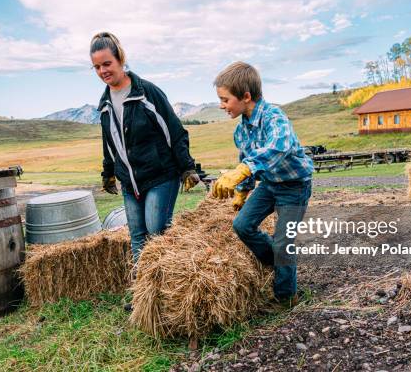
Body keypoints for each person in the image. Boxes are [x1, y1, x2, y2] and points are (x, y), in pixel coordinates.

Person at [91, 32, 199, 266]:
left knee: (156, 230)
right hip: (130, 182)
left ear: (120, 58)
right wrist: (108, 174)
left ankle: (168, 285)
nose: (103, 71)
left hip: (160, 175)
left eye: (107, 63)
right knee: (137, 236)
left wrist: (187, 168)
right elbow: (109, 144)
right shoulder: (105, 104)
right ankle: (144, 294)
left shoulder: (146, 93)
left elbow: (174, 130)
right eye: (97, 67)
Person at [212, 61, 313, 307]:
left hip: (294, 186)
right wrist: (242, 191)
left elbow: (279, 147)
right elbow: (245, 160)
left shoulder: (274, 116)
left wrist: (244, 169)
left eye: (225, 100)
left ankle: (286, 296)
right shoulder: (241, 130)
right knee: (242, 225)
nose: (221, 105)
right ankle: (279, 265)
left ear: (245, 96)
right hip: (269, 185)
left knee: (283, 241)